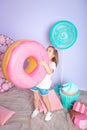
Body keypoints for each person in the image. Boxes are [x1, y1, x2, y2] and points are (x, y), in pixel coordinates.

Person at [31, 46, 58, 121]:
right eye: (47, 50)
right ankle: (36, 109)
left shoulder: (52, 64)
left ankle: (49, 112)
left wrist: (45, 64)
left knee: (45, 99)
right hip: (36, 83)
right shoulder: (41, 60)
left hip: (44, 85)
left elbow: (49, 72)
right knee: (36, 98)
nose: (46, 51)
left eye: (49, 51)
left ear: (53, 56)